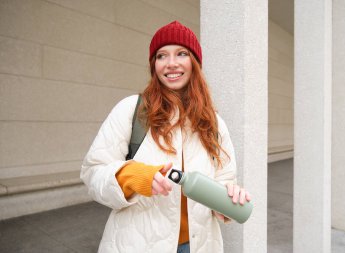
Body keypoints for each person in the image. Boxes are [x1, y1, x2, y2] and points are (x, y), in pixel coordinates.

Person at [81, 21, 251, 253]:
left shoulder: (213, 122)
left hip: (199, 246)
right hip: (137, 245)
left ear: (195, 63)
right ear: (154, 65)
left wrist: (227, 201)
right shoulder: (132, 110)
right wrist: (132, 176)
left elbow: (224, 179)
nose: (171, 64)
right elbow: (93, 172)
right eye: (162, 56)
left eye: (181, 53)